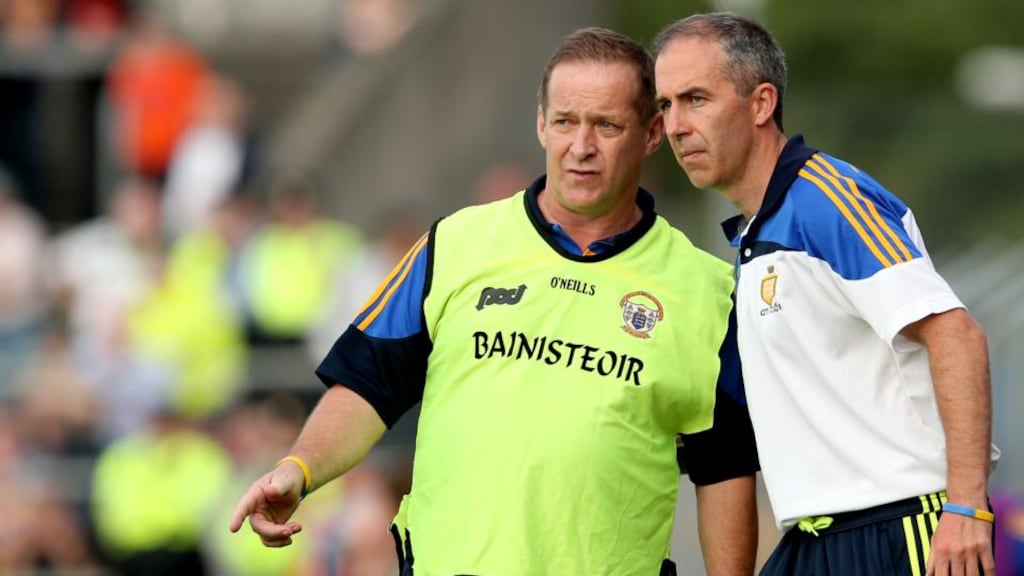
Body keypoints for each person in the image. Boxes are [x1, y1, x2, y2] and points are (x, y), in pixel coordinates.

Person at [231, 27, 760, 575]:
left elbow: (724, 471)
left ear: (652, 133)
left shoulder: (705, 290)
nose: (581, 147)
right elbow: (368, 384)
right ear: (540, 124)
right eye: (565, 122)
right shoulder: (456, 243)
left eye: (606, 125)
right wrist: (299, 468)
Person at [652, 12, 999, 576]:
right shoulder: (755, 235)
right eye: (666, 105)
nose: (675, 125)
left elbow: (957, 335)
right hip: (817, 538)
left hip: (902, 526)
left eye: (696, 99)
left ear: (762, 103)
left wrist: (965, 510)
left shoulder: (825, 201)